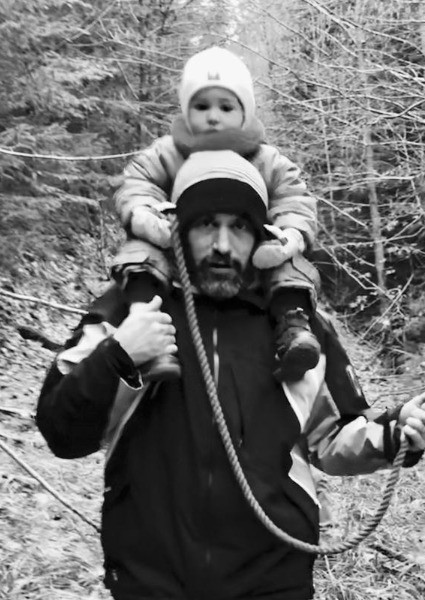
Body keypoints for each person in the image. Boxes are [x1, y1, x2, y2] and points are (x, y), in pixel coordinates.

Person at [37, 150, 425, 600]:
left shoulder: (296, 326)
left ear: (260, 236)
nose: (222, 245)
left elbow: (333, 436)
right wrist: (118, 355)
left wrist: (396, 433)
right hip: (151, 581)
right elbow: (61, 431)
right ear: (178, 229)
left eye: (239, 227)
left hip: (273, 580)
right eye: (205, 224)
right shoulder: (130, 308)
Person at [112, 45, 320, 382]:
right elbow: (137, 182)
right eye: (201, 106)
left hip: (252, 254)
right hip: (178, 247)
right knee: (139, 254)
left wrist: (289, 235)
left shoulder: (266, 159)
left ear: (244, 113)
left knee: (292, 266)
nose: (213, 117)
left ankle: (293, 325)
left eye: (225, 107)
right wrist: (144, 215)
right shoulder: (168, 152)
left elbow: (294, 198)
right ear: (186, 111)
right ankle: (146, 327)